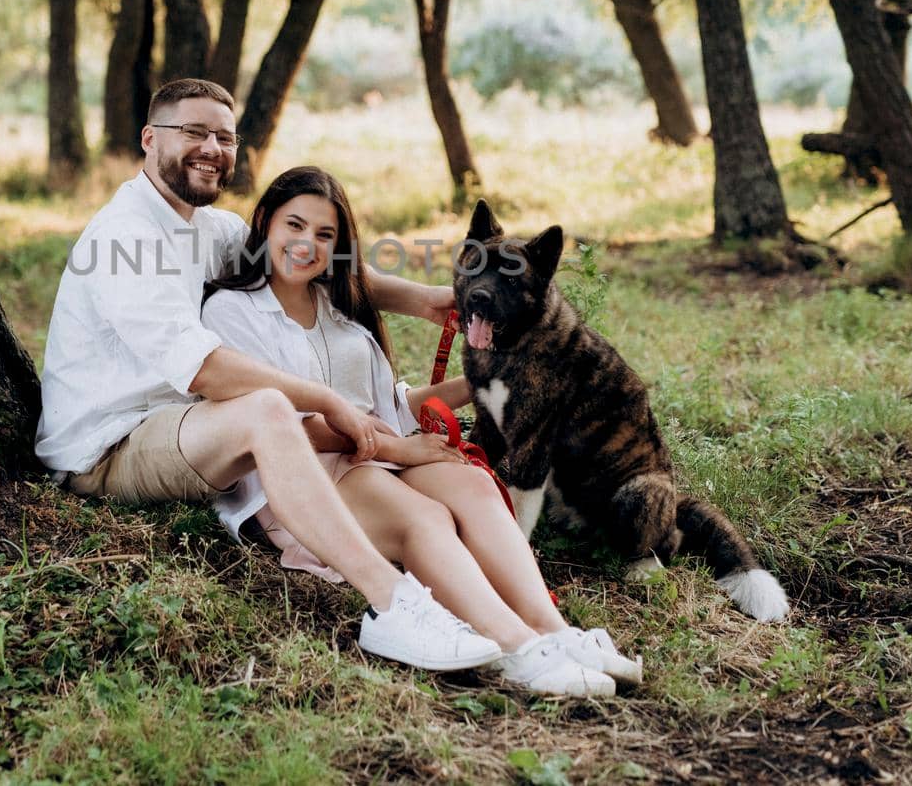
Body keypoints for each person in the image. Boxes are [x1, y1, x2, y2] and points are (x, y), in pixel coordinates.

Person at [37, 79, 500, 676]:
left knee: (272, 408)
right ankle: (394, 606)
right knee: (269, 409)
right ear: (150, 139)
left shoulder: (213, 230)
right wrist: (326, 398)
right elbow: (204, 368)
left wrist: (428, 300)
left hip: (180, 423)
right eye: (193, 132)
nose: (211, 147)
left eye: (224, 137)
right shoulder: (124, 235)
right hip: (109, 446)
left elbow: (308, 262)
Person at [200, 166, 642, 697]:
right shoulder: (232, 311)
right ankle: (516, 649)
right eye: (294, 226)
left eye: (324, 234)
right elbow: (289, 426)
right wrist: (399, 450)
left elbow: (391, 406)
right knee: (425, 516)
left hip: (379, 455)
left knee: (476, 486)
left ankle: (553, 630)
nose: (306, 245)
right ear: (266, 222)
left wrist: (489, 374)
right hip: (306, 475)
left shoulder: (337, 305)